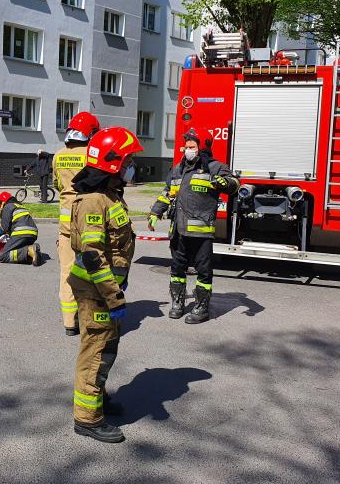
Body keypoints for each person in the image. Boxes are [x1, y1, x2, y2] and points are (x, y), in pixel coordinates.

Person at [68, 126, 142, 444]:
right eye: (128, 160)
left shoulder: (110, 193)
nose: (132, 166)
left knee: (107, 347)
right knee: (96, 350)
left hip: (106, 289)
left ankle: (97, 398)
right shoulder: (93, 201)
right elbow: (94, 256)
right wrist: (114, 297)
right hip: (97, 290)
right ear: (113, 163)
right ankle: (87, 418)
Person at [148, 127, 239, 324]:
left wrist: (225, 183)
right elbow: (167, 192)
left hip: (201, 233)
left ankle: (201, 308)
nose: (186, 149)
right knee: (177, 270)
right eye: (186, 146)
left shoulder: (215, 167)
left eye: (191, 146)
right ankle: (178, 303)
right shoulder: (179, 169)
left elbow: (235, 184)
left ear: (202, 147)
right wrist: (156, 212)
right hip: (179, 231)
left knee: (203, 272)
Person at [54, 111, 100, 336]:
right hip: (87, 220)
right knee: (92, 270)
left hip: (65, 225)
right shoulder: (92, 154)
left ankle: (69, 323)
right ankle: (90, 319)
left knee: (66, 272)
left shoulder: (58, 155)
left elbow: (56, 184)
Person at [0, 191, 41, 266]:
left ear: (3, 202)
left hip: (21, 233)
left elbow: (5, 228)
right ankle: (33, 252)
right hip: (33, 234)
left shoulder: (7, 206)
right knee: (17, 250)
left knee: (3, 256)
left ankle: (28, 251)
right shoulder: (19, 206)